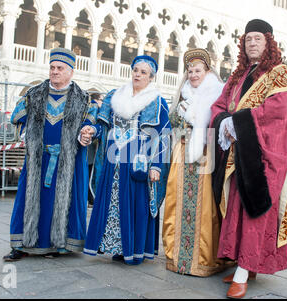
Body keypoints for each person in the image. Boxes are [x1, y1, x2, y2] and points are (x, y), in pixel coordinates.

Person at [209, 19, 287, 299]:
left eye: (257, 39)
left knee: (255, 213)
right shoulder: (237, 76)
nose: (252, 43)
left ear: (268, 42)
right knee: (237, 211)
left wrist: (236, 123)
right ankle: (244, 266)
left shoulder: (280, 75)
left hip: (264, 156)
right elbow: (219, 105)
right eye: (248, 39)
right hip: (238, 154)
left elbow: (277, 113)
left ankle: (243, 273)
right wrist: (224, 121)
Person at [3, 48, 99, 261]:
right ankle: (20, 245)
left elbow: (91, 123)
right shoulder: (34, 94)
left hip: (68, 161)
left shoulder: (83, 99)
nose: (54, 72)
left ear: (70, 72)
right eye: (52, 67)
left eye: (60, 68)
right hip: (39, 159)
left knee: (63, 201)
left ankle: (59, 245)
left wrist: (86, 133)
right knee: (27, 200)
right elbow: (17, 117)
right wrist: (27, 131)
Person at [84, 55, 171, 265]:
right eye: (135, 70)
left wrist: (157, 166)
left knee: (135, 204)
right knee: (112, 203)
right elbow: (102, 126)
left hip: (138, 160)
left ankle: (132, 249)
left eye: (143, 72)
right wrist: (92, 130)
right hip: (113, 160)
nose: (138, 75)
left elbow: (164, 136)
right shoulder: (115, 96)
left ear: (151, 77)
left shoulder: (157, 102)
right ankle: (115, 246)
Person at [162, 48, 225, 276]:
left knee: (205, 206)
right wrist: (180, 115)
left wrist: (196, 118)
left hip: (205, 152)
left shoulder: (217, 93)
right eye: (190, 71)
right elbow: (174, 123)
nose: (193, 75)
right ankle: (179, 257)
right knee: (177, 201)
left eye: (197, 70)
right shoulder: (183, 94)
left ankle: (204, 259)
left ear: (207, 71)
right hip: (183, 150)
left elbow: (219, 123)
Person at [87, 92, 104, 207]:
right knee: (89, 173)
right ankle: (91, 199)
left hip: (92, 150)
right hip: (90, 150)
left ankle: (91, 199)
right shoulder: (94, 108)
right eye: (101, 100)